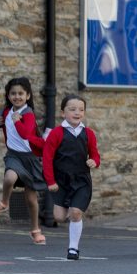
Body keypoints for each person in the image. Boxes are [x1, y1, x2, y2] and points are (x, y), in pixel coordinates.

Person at [0, 77, 48, 245]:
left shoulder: (28, 114)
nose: (17, 97)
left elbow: (25, 134)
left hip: (31, 159)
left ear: (28, 96)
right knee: (9, 178)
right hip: (14, 155)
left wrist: (17, 120)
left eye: (21, 93)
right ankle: (4, 202)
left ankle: (35, 230)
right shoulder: (5, 111)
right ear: (8, 95)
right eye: (13, 93)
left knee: (31, 200)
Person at [43, 94, 101, 260]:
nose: (77, 112)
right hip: (60, 182)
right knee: (59, 217)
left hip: (82, 181)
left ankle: (73, 249)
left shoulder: (88, 133)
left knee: (75, 213)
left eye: (81, 109)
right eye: (72, 109)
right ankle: (70, 210)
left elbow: (96, 155)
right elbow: (47, 159)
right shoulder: (56, 133)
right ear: (63, 113)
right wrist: (50, 181)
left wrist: (94, 162)